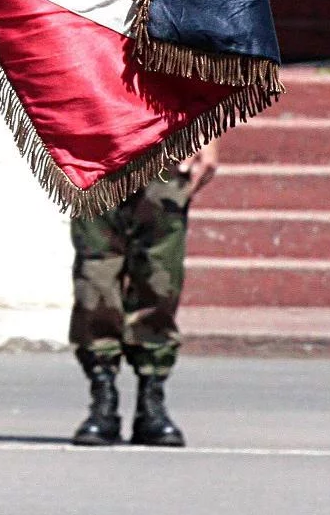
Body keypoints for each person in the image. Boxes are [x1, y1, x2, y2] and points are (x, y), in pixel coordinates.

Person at [67, 143, 218, 448]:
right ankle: (102, 397)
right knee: (95, 276)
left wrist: (208, 134)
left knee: (159, 274)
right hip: (94, 137)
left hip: (165, 138)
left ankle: (152, 398)